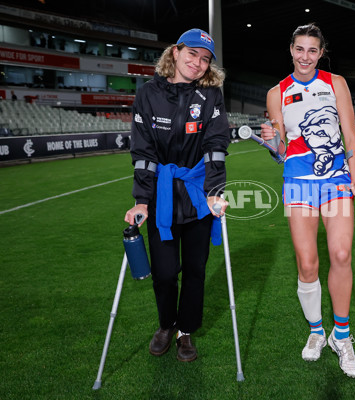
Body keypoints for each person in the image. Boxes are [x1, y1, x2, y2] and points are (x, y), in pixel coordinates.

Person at [260, 23, 355, 378]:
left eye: (312, 50)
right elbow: (279, 148)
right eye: (299, 49)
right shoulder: (277, 92)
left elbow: (349, 132)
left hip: (336, 178)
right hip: (298, 181)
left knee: (341, 254)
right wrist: (269, 139)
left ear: (321, 53)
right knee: (307, 263)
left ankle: (342, 335)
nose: (305, 56)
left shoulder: (336, 83)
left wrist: (354, 177)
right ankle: (317, 332)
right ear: (290, 49)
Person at [124, 28, 230, 363]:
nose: (198, 63)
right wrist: (142, 199)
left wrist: (215, 193)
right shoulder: (148, 94)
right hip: (162, 194)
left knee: (196, 269)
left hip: (198, 193)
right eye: (193, 54)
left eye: (205, 59)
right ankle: (166, 324)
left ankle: (186, 331)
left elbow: (216, 146)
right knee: (166, 271)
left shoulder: (211, 96)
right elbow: (142, 151)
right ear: (175, 52)